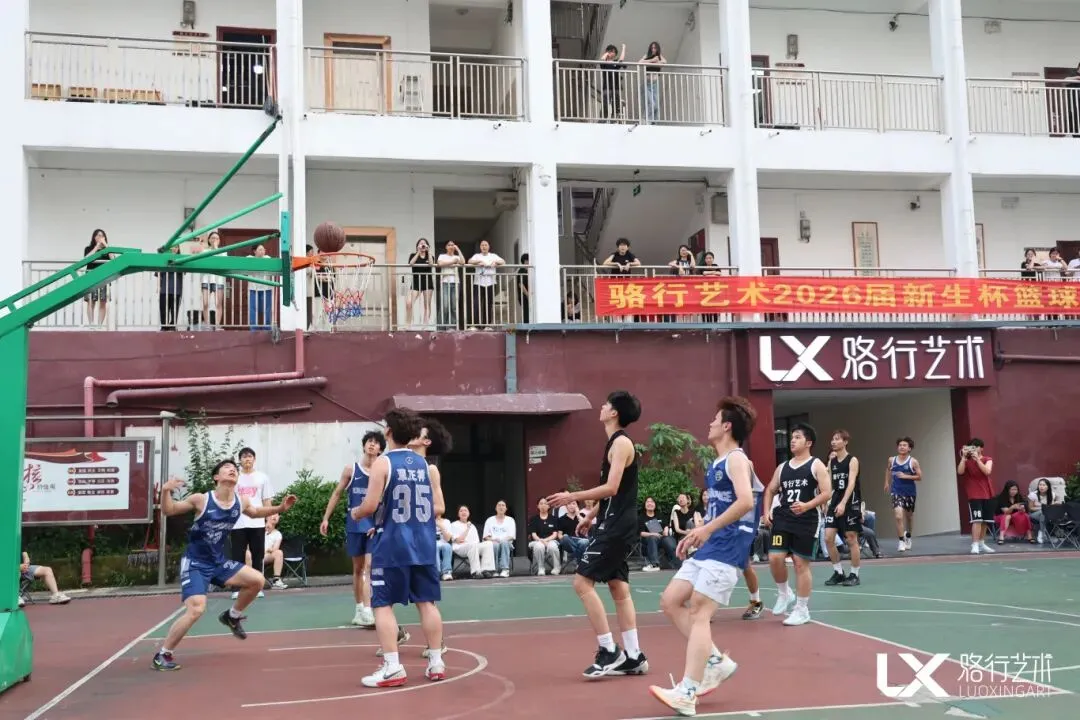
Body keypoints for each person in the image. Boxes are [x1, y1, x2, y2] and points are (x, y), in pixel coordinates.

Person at [649, 397, 758, 716]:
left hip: (728, 547)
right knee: (670, 601)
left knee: (699, 611)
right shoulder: (716, 462)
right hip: (711, 545)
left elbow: (746, 502)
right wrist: (698, 534)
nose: (709, 424)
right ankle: (715, 662)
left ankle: (687, 692)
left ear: (727, 426)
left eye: (715, 419)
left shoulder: (737, 460)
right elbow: (718, 509)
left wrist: (707, 529)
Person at [152, 460, 297, 671]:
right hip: (195, 563)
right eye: (227, 468)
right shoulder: (201, 500)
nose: (232, 470)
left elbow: (257, 512)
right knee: (196, 609)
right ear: (216, 477)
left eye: (235, 469)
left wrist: (281, 508)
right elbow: (169, 510)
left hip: (218, 561)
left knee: (257, 581)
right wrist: (166, 491)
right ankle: (163, 654)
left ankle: (232, 616)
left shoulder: (241, 502)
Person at [547, 390, 649, 679]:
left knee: (582, 583)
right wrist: (591, 515)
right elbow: (616, 492)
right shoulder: (614, 443)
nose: (601, 407)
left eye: (606, 404)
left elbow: (612, 487)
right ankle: (634, 656)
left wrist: (572, 496)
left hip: (616, 526)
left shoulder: (621, 444)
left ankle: (609, 651)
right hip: (614, 522)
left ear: (614, 412)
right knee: (618, 588)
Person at [351, 408, 446, 688]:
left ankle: (393, 667)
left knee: (382, 604)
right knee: (427, 603)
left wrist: (357, 513)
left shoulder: (383, 463)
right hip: (424, 543)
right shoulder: (426, 466)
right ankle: (436, 661)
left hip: (392, 544)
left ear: (388, 432)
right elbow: (436, 507)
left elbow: (369, 505)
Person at [763, 423, 831, 627]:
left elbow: (827, 493)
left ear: (808, 442)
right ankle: (785, 593)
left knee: (800, 564)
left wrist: (807, 505)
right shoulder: (782, 467)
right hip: (783, 517)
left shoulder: (816, 465)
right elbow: (770, 490)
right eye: (792, 437)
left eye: (798, 437)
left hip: (807, 520)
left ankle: (802, 610)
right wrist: (766, 511)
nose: (792, 440)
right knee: (775, 557)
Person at [320, 430, 387, 627]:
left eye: (376, 442)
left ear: (380, 449)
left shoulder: (382, 471)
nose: (372, 444)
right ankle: (359, 609)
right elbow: (337, 493)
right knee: (358, 569)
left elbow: (386, 501)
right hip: (355, 524)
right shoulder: (351, 469)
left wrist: (383, 523)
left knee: (369, 567)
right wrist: (326, 518)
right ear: (364, 445)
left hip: (373, 526)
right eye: (369, 441)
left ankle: (368, 609)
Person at [229, 447, 276, 600]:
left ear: (254, 459)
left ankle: (257, 587)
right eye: (244, 457)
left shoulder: (262, 477)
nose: (247, 459)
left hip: (257, 523)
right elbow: (227, 499)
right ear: (240, 460)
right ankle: (236, 588)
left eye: (250, 456)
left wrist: (269, 519)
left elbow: (267, 501)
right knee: (237, 556)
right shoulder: (234, 478)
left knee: (258, 556)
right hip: (237, 523)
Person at [823, 430, 863, 587]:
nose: (833, 441)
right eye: (832, 439)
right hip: (835, 501)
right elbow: (829, 483)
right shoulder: (832, 462)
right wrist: (827, 501)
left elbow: (851, 483)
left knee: (851, 538)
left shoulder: (852, 460)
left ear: (845, 442)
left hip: (850, 501)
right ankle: (839, 572)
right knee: (828, 538)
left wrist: (843, 503)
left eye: (837, 439)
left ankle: (854, 574)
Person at [957, 438, 996, 555]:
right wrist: (963, 458)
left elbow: (987, 471)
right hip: (974, 494)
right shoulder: (967, 461)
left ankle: (981, 543)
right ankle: (974, 544)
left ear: (981, 448)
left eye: (975, 447)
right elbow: (960, 472)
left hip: (987, 493)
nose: (973, 449)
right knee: (977, 519)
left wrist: (978, 460)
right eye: (971, 447)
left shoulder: (987, 459)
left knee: (985, 521)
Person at [885, 437, 921, 552]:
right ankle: (901, 541)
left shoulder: (913, 461)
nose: (902, 447)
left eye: (904, 445)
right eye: (900, 445)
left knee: (909, 517)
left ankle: (908, 536)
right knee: (898, 516)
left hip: (910, 492)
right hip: (896, 491)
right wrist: (887, 482)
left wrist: (906, 476)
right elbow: (888, 470)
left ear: (909, 448)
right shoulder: (892, 460)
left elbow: (919, 476)